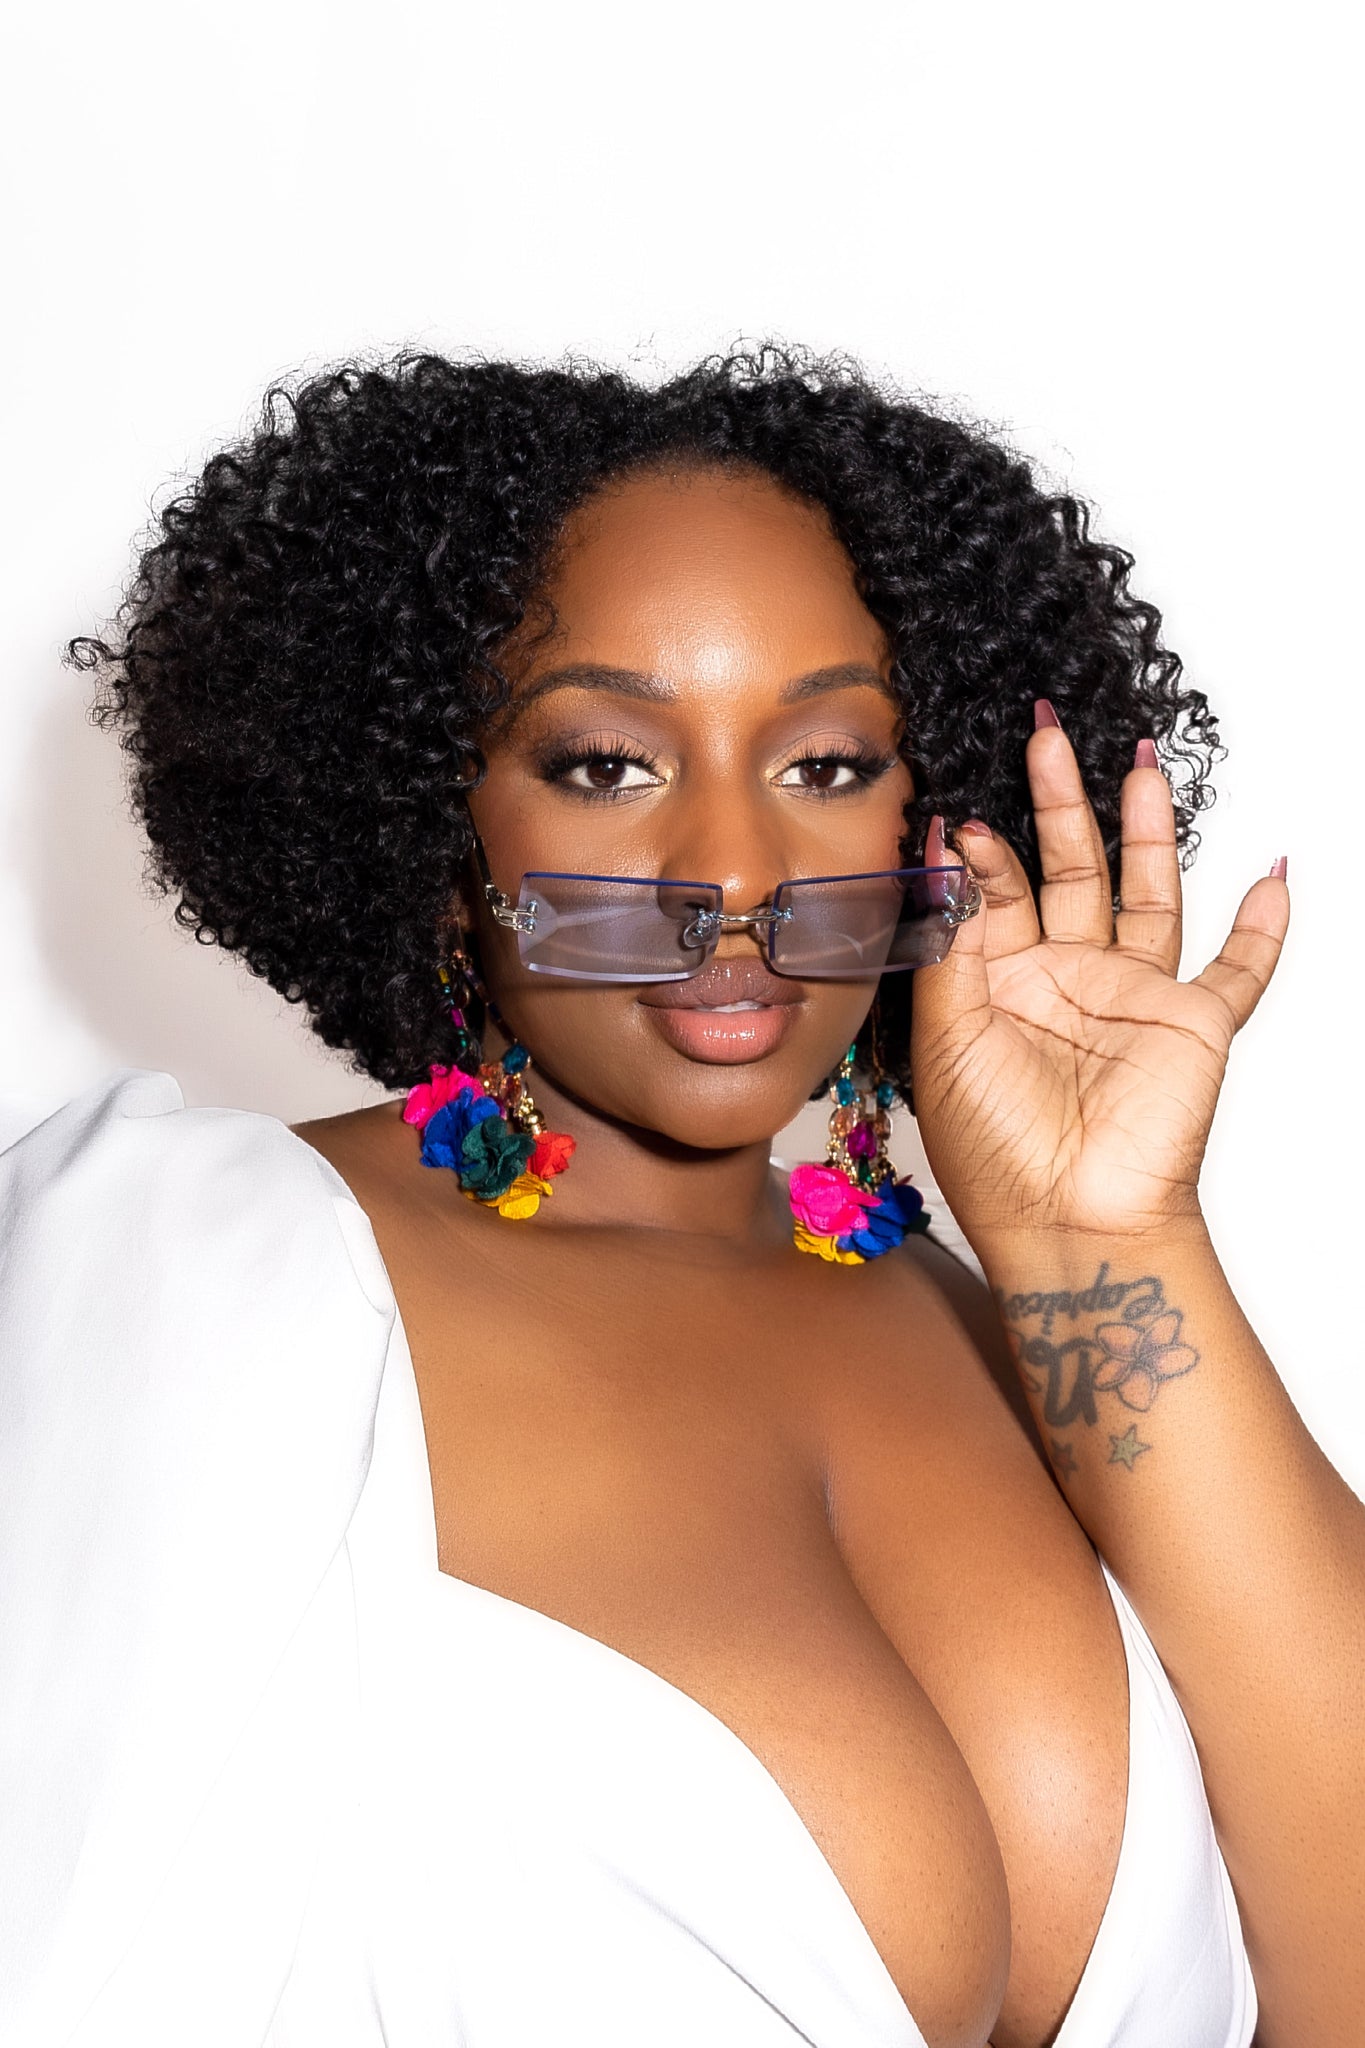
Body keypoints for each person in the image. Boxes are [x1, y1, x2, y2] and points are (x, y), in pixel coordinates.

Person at [2, 347, 1361, 2048]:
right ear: (436, 824)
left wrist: (1101, 1235)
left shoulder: (1028, 1327)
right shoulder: (206, 1261)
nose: (731, 873)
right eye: (605, 764)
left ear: (930, 819)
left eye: (826, 765)